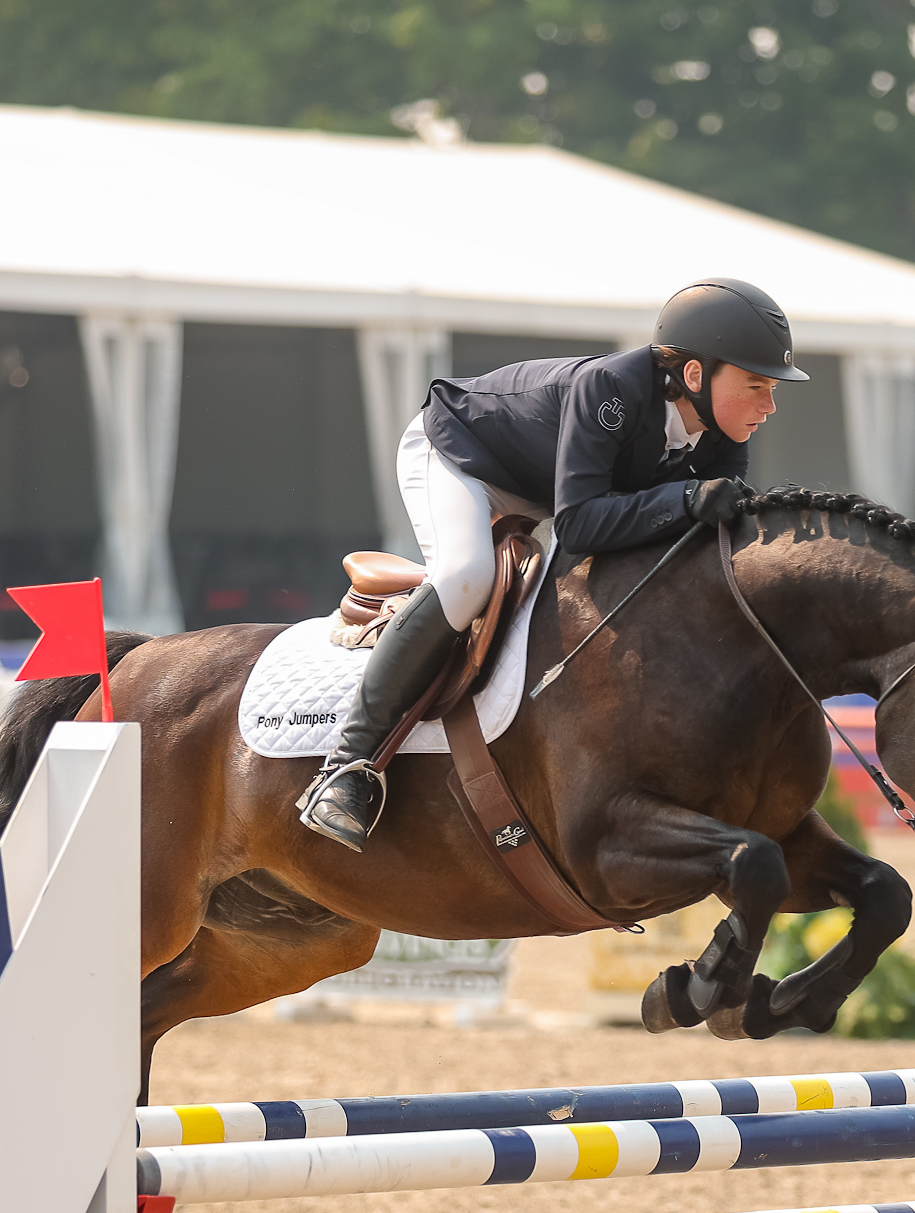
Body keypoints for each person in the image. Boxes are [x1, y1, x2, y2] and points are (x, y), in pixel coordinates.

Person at [296, 277, 809, 851]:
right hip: (465, 457)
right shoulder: (609, 388)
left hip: (549, 486)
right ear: (695, 375)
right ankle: (346, 767)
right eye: (757, 385)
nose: (768, 406)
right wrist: (687, 500)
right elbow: (582, 525)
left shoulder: (719, 429)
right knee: (466, 578)